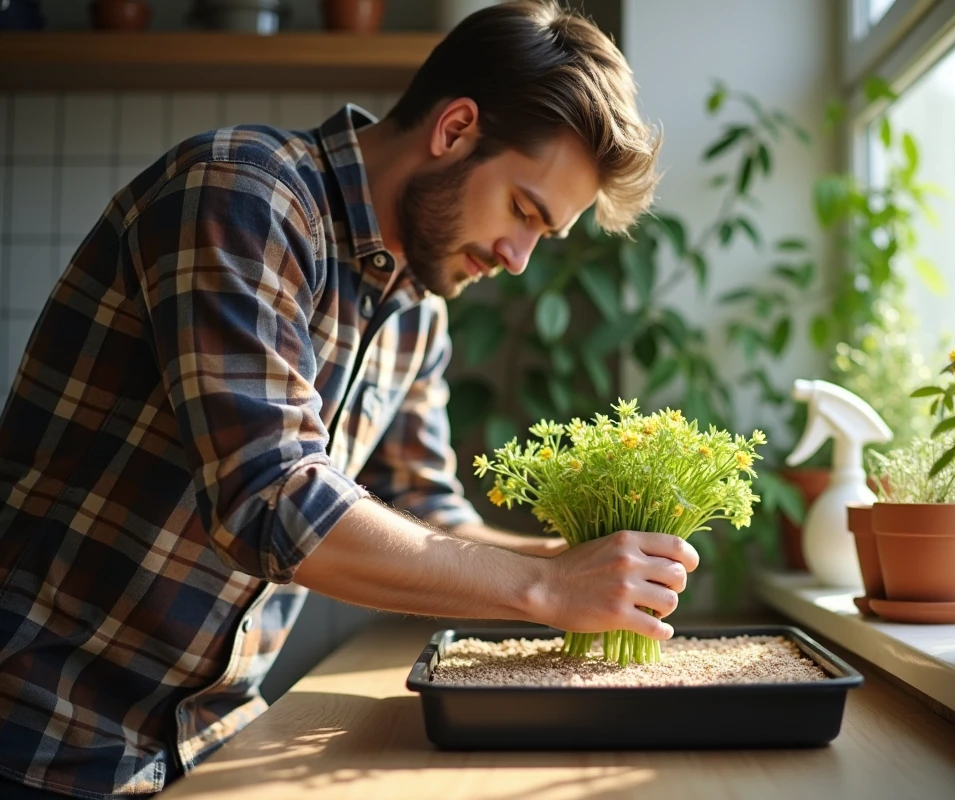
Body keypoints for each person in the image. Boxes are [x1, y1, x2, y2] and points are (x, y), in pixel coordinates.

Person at [0, 2, 697, 797]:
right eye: (523, 211)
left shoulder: (419, 309)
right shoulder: (243, 195)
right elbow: (273, 502)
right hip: (42, 736)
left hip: (213, 743)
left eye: (545, 235)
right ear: (455, 128)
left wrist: (595, 568)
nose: (517, 258)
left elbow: (426, 515)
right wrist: (549, 589)